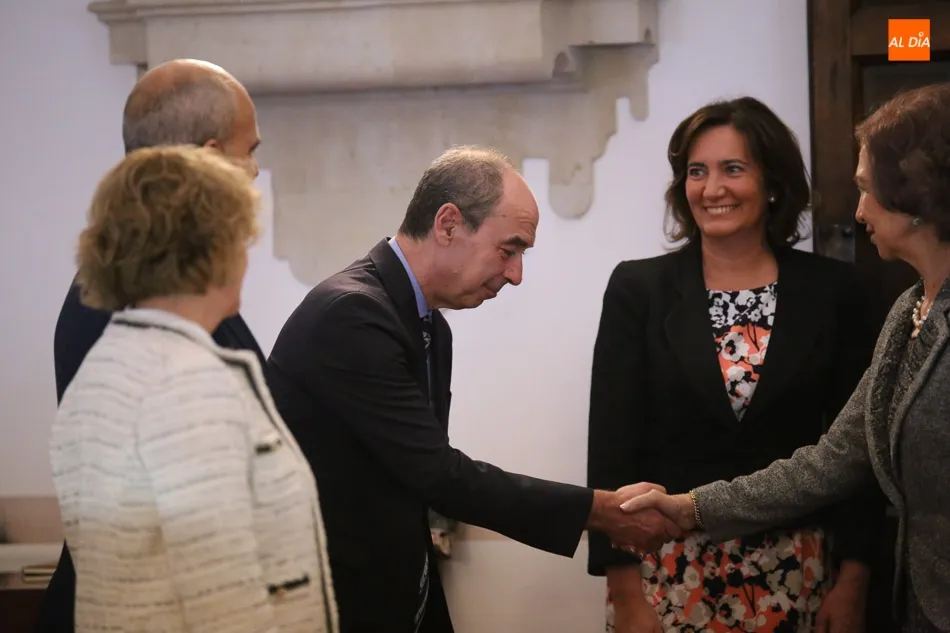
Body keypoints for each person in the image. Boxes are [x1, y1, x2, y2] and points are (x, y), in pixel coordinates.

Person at [266, 145, 680, 633]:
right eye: (509, 250)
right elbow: (439, 475)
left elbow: (417, 484)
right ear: (448, 224)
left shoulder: (428, 325)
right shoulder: (352, 315)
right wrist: (600, 510)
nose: (516, 275)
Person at [621, 83, 950, 633]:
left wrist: (853, 574)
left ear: (915, 196)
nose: (858, 210)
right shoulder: (908, 311)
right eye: (697, 171)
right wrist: (691, 508)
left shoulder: (839, 292)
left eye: (866, 189)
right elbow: (835, 458)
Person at [50, 144, 338, 633]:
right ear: (206, 249)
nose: (246, 256)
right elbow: (221, 595)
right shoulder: (186, 383)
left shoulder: (111, 363)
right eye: (241, 238)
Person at [37, 58, 267, 633]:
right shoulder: (130, 305)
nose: (256, 171)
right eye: (250, 150)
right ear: (211, 158)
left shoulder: (169, 290)